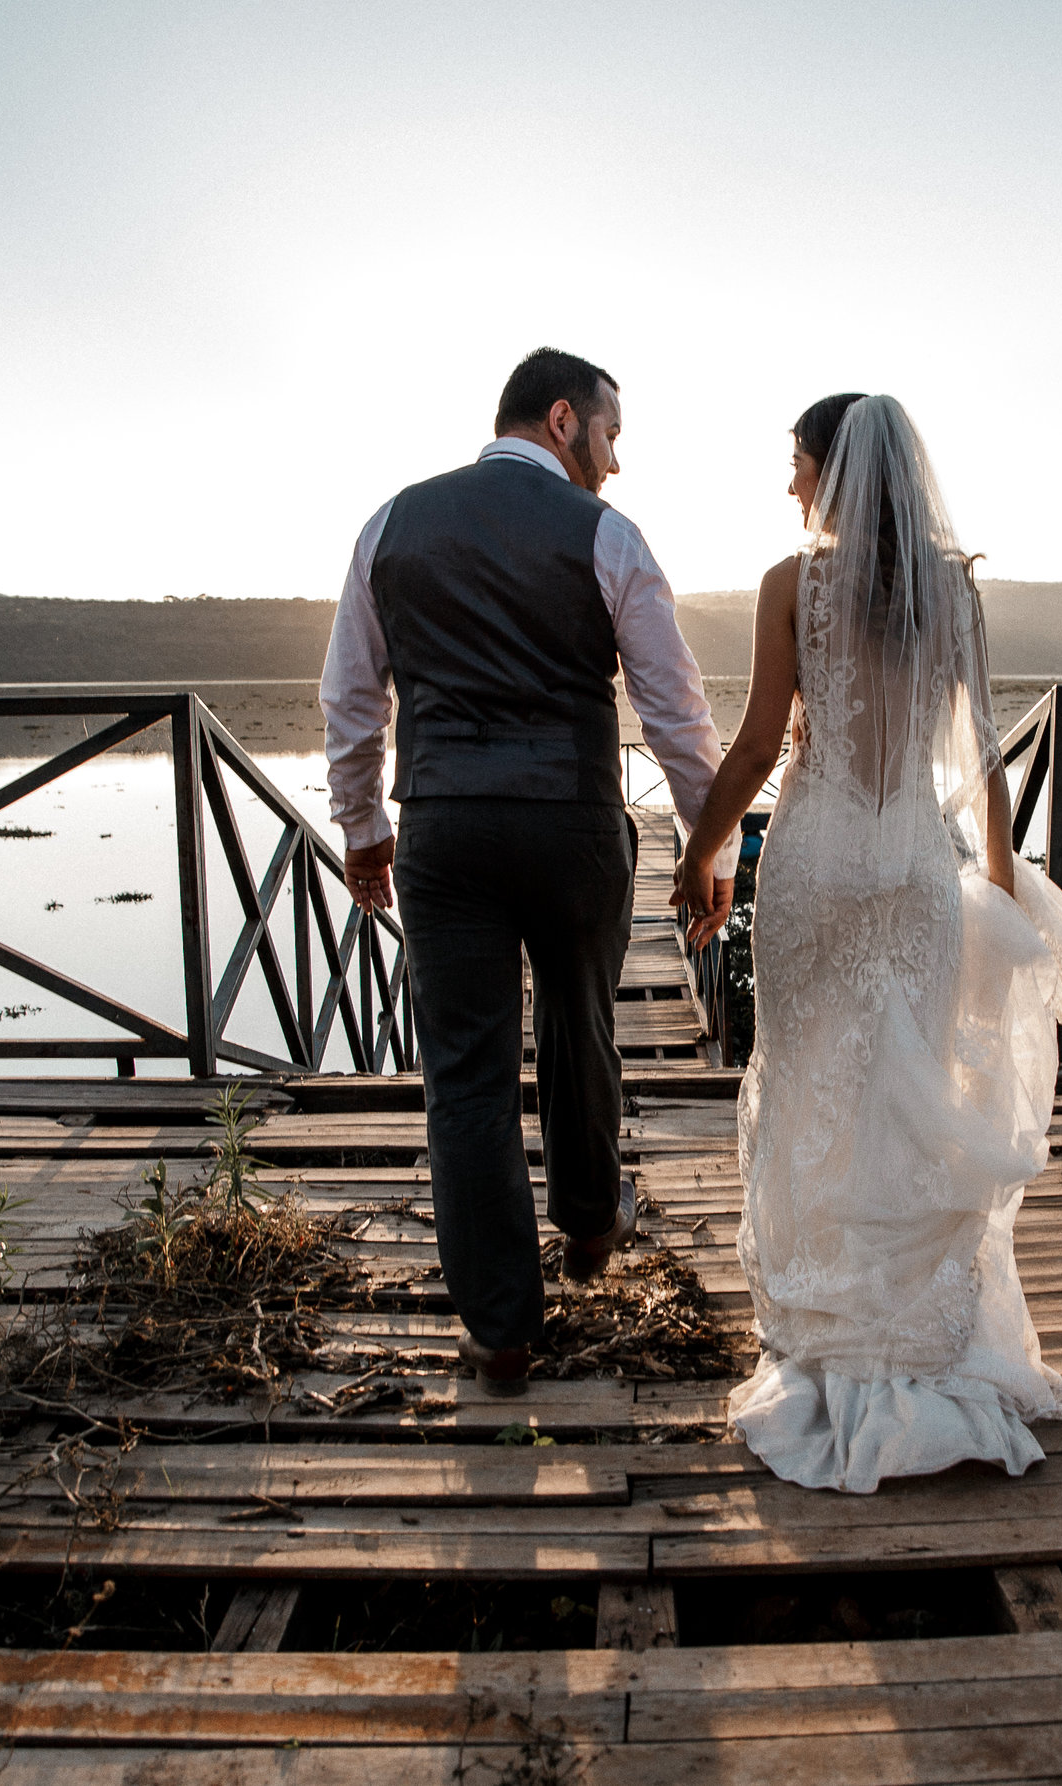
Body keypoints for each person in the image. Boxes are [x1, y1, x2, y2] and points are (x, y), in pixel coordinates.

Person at [674, 393, 1062, 1492]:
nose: (789, 486)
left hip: (815, 863)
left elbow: (752, 746)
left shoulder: (792, 584)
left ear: (832, 473)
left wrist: (701, 851)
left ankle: (830, 1341)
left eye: (795, 465)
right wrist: (993, 881)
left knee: (809, 1092)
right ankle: (916, 1342)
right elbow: (981, 753)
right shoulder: (955, 589)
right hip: (913, 872)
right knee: (908, 1095)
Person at [320, 348, 735, 1399]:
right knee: (580, 1023)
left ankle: (501, 1332)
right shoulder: (606, 536)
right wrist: (707, 847)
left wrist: (364, 831)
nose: (616, 460)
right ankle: (591, 1226)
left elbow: (350, 700)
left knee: (463, 1073)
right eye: (611, 434)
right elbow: (675, 710)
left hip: (447, 829)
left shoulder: (390, 524)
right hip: (574, 824)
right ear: (563, 419)